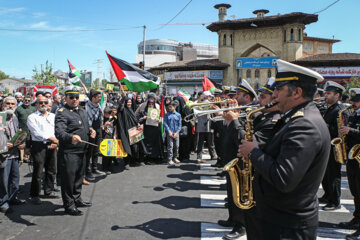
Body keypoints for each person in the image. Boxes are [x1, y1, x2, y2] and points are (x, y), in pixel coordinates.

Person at [238, 59, 331, 240]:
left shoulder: (304, 124)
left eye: (279, 89)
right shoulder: (297, 118)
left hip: (286, 225)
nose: (274, 96)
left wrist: (253, 152)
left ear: (297, 92)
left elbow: (284, 178)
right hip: (279, 218)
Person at [55, 86, 95, 216]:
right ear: (65, 98)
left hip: (82, 151)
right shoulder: (62, 112)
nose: (74, 100)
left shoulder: (82, 111)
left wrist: (90, 131)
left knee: (78, 177)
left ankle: (77, 199)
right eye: (71, 97)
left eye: (77, 97)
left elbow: (85, 126)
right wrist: (71, 137)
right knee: (68, 180)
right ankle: (69, 205)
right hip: (69, 152)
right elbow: (59, 132)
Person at [320, 81, 349, 211]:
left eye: (329, 93)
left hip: (335, 147)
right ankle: (327, 195)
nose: (325, 95)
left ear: (337, 95)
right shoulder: (330, 108)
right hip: (327, 146)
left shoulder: (340, 110)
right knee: (326, 174)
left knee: (333, 175)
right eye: (325, 93)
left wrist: (324, 126)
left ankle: (335, 201)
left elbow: (341, 130)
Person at [27, 96, 59, 204]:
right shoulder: (32, 117)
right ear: (36, 104)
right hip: (39, 145)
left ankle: (48, 191)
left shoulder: (53, 116)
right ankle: (35, 194)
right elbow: (36, 133)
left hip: (53, 144)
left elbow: (56, 130)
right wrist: (52, 139)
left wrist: (55, 142)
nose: (43, 104)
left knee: (52, 169)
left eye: (46, 102)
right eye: (40, 102)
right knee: (38, 171)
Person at [339, 88, 360, 239]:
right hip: (353, 159)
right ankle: (357, 218)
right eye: (353, 100)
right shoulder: (354, 115)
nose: (353, 103)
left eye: (357, 101)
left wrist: (350, 131)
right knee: (356, 192)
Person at [0, 97, 26, 213]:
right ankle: (3, 202)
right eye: (8, 103)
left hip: (14, 153)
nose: (10, 106)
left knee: (14, 178)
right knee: (3, 181)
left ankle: (13, 197)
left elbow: (17, 134)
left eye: (12, 104)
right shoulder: (1, 119)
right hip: (4, 155)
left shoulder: (15, 119)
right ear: (3, 105)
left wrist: (21, 143)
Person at [119, 97, 147, 167]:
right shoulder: (123, 109)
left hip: (133, 131)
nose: (129, 103)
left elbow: (134, 118)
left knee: (135, 147)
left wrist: (137, 123)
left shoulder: (131, 110)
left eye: (130, 102)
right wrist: (123, 97)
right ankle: (126, 163)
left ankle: (133, 161)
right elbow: (119, 108)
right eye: (128, 102)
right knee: (127, 146)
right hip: (126, 131)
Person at [85, 90, 105, 181]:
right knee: (89, 151)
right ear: (93, 98)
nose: (100, 99)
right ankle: (87, 171)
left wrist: (102, 125)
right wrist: (90, 129)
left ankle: (94, 168)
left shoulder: (98, 106)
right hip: (90, 131)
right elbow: (87, 120)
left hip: (98, 130)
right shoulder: (87, 107)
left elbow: (100, 117)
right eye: (98, 97)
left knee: (96, 150)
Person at [138, 99, 164, 164]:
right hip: (147, 131)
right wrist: (143, 118)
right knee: (147, 144)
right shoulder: (143, 111)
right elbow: (139, 120)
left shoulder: (157, 111)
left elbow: (161, 119)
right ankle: (147, 158)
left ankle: (155, 157)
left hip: (155, 130)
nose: (151, 105)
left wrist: (160, 121)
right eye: (149, 104)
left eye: (152, 104)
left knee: (155, 144)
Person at [195, 91, 217, 163]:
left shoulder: (199, 104)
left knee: (200, 142)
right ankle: (213, 155)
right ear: (207, 97)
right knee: (211, 141)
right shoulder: (209, 103)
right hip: (208, 124)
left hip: (201, 125)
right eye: (209, 96)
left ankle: (199, 157)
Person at [164, 101, 181, 165]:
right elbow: (165, 123)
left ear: (175, 106)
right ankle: (169, 159)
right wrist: (169, 131)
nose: (169, 108)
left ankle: (175, 157)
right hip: (170, 133)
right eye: (169, 107)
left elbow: (180, 125)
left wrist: (177, 132)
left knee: (176, 146)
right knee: (170, 146)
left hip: (176, 132)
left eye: (171, 107)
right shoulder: (167, 114)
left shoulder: (178, 115)